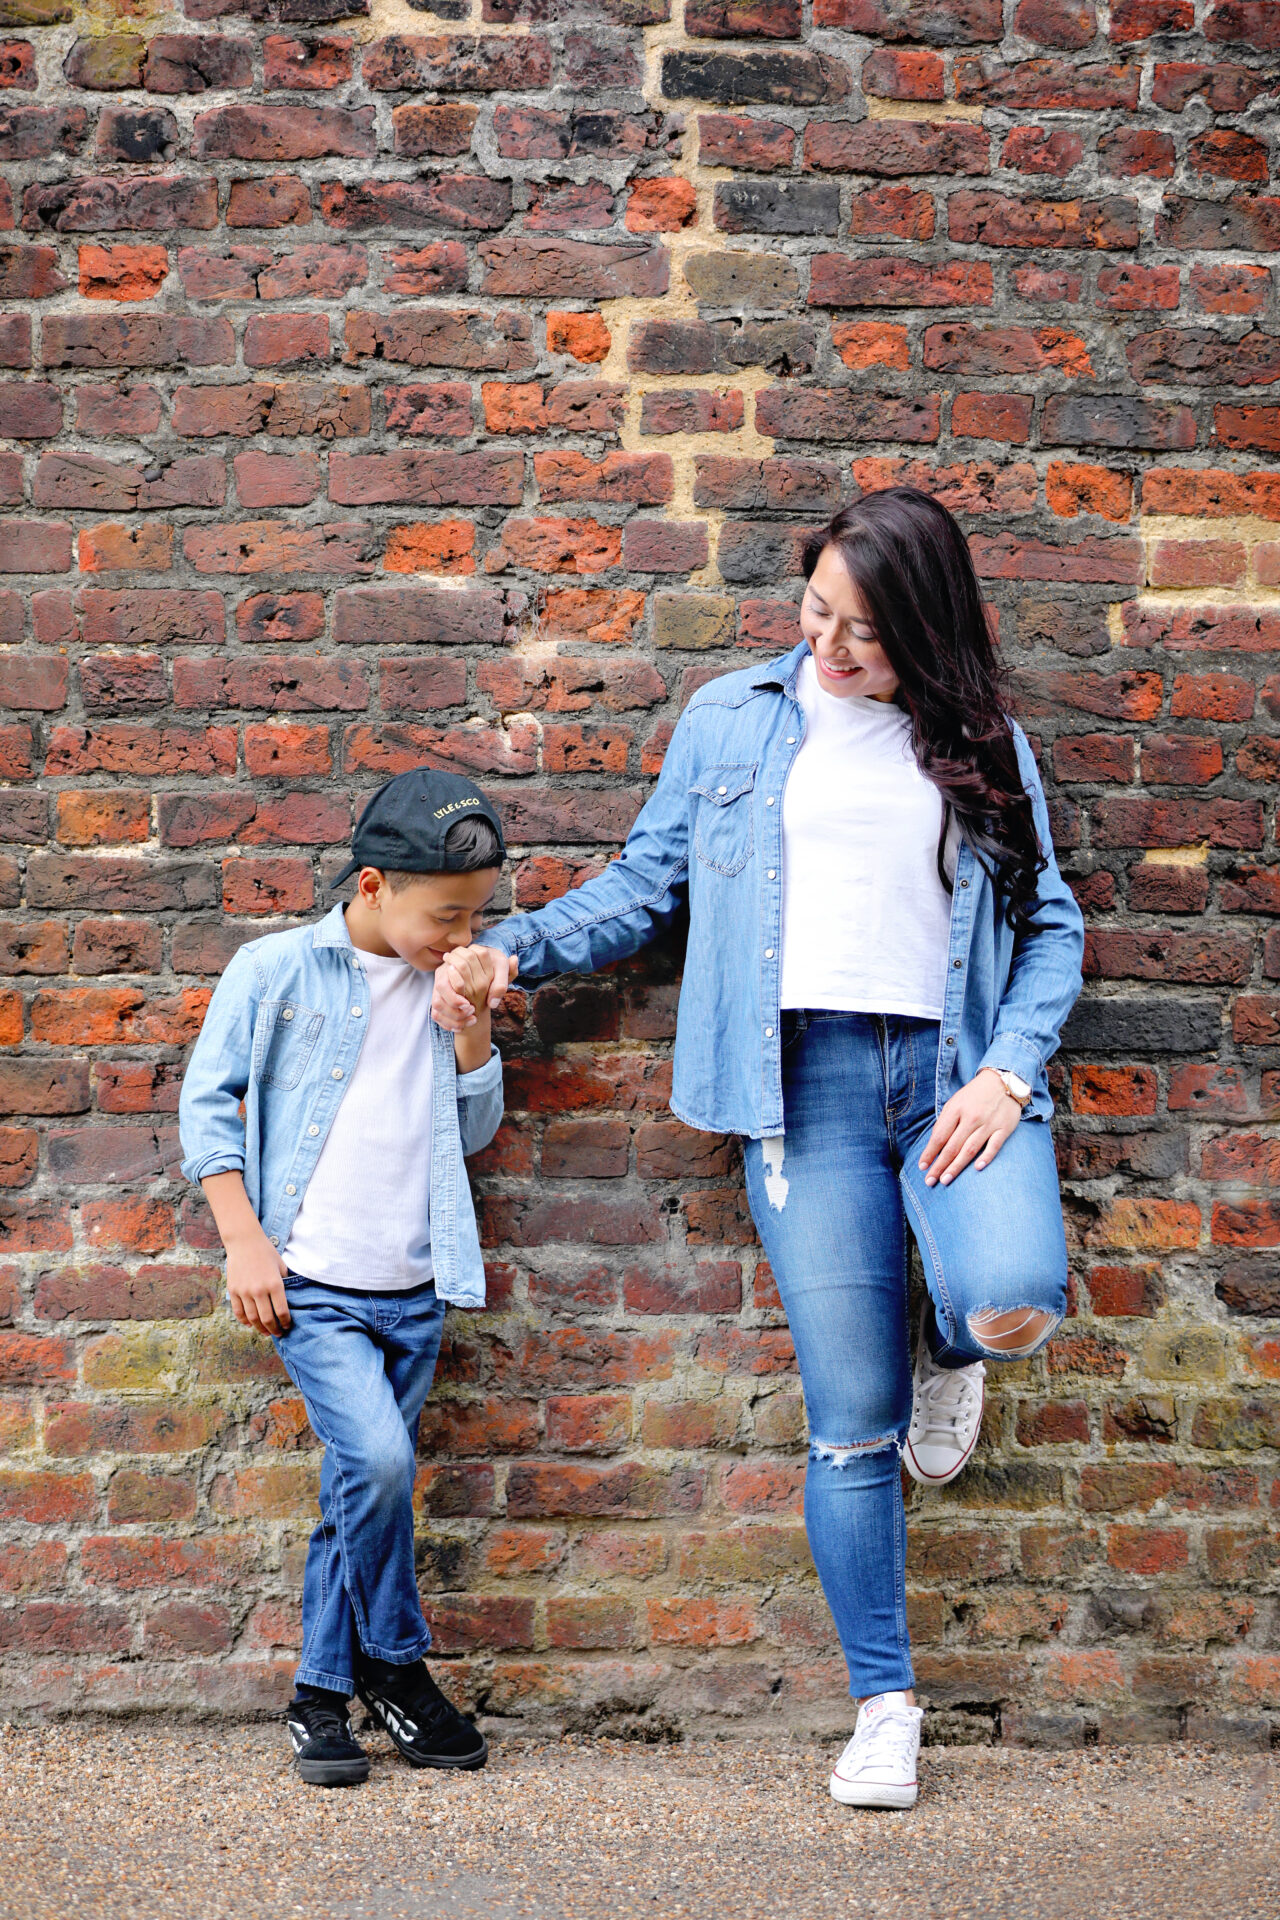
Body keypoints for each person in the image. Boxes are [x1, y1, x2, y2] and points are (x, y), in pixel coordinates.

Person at [434, 488, 1084, 1810]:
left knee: (1007, 1298)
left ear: (925, 632)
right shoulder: (735, 718)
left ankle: (947, 1341)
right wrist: (519, 954)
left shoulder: (978, 738)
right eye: (815, 614)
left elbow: (1051, 924)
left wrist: (1012, 1076)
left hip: (955, 1075)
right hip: (805, 1093)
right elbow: (645, 885)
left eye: (864, 632)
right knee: (852, 1426)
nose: (831, 649)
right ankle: (886, 1708)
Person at [179, 769, 507, 1788]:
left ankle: (320, 1698)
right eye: (443, 916)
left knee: (353, 1491)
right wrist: (242, 1240)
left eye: (475, 917)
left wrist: (472, 1022)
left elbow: (475, 1129)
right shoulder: (276, 970)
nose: (458, 936)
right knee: (377, 1464)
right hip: (310, 1281)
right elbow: (207, 1108)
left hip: (413, 1287)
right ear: (372, 885)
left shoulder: (448, 986)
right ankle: (398, 1670)